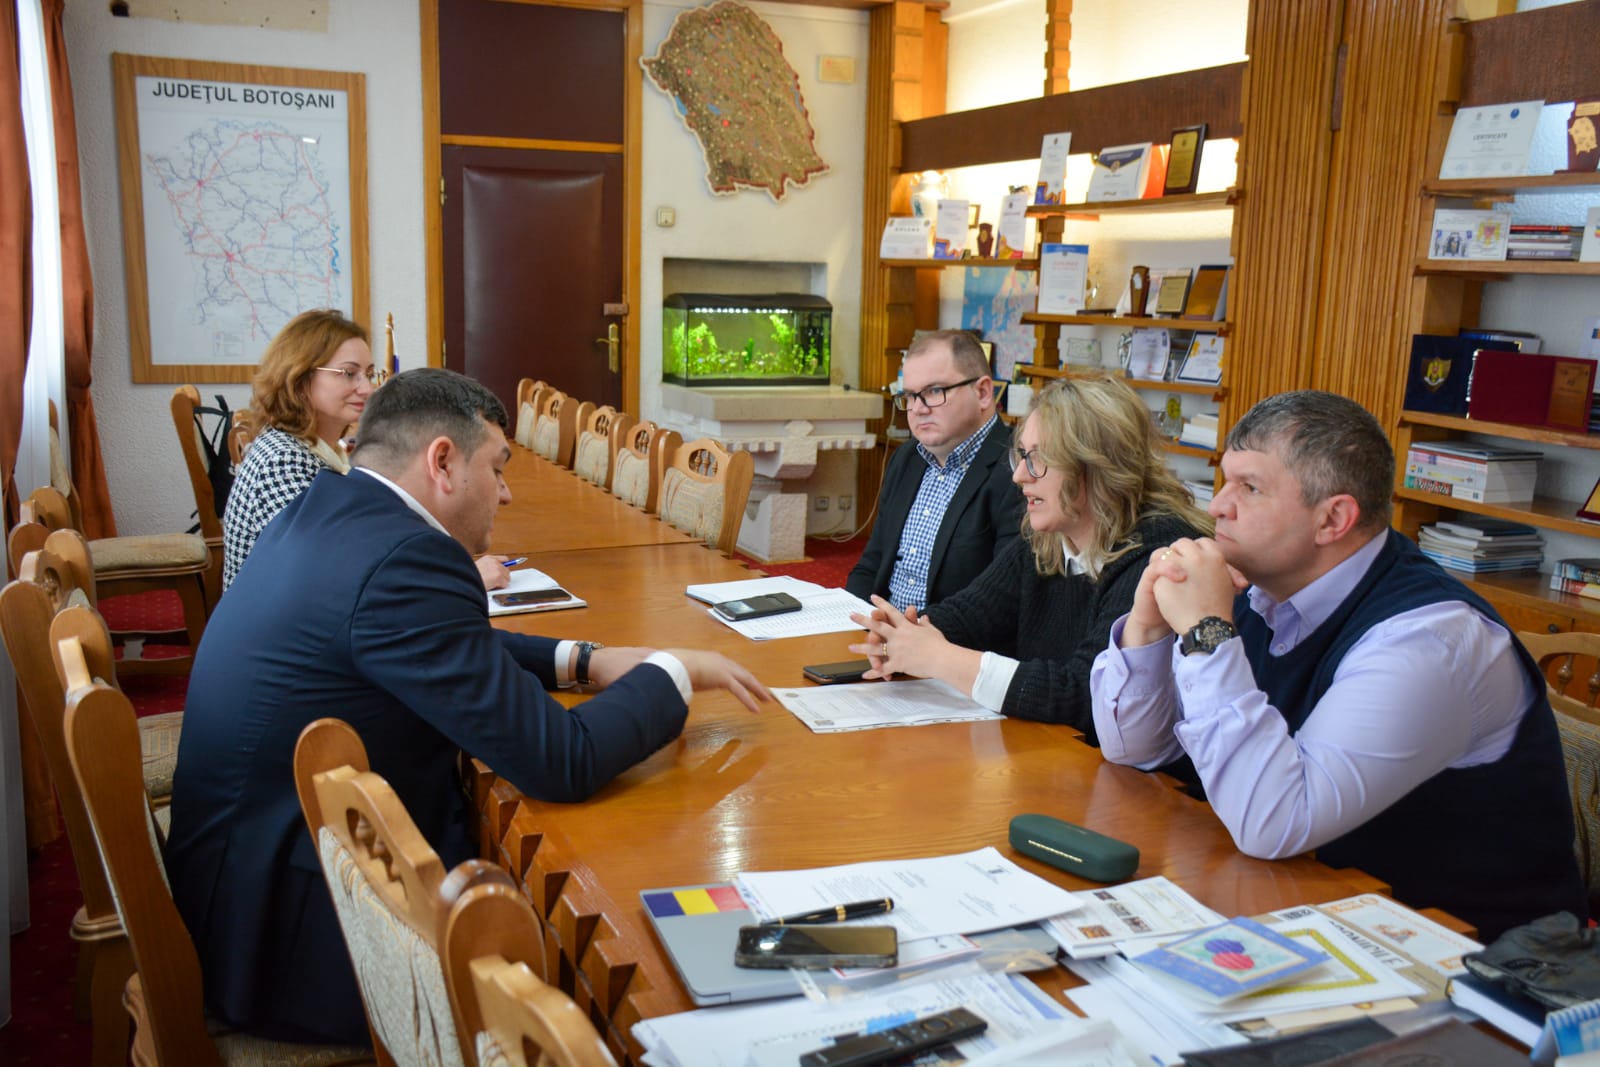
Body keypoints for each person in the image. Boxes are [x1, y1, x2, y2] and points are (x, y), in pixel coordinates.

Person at [165, 368, 771, 1045]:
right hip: (290, 942)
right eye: (498, 468)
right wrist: (673, 670)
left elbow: (435, 643)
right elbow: (561, 760)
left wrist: (582, 659)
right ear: (443, 462)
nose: (506, 492)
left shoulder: (332, 507)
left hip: (236, 880)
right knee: (600, 940)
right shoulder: (408, 559)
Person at [1089, 390, 1585, 940]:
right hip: (1301, 905)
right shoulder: (1259, 590)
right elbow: (1135, 749)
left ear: (1333, 519)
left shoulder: (1428, 640)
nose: (1216, 507)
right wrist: (1147, 628)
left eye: (1249, 488)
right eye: (1224, 481)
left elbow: (1273, 823)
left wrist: (1208, 633)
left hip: (1461, 957)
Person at [848, 374, 1210, 739]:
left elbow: (1088, 693)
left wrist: (937, 656)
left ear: (1097, 465)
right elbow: (972, 613)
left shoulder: (1159, 553)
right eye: (1021, 456)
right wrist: (904, 633)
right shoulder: (1046, 539)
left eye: (1038, 459)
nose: (1020, 476)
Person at [222, 309, 511, 592]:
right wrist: (464, 577)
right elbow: (337, 575)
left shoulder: (322, 449)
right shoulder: (282, 461)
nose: (367, 389)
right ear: (299, 378)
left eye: (369, 374)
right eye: (349, 374)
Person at [845, 330, 1024, 611]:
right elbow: (872, 564)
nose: (918, 409)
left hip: (951, 635)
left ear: (982, 392)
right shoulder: (906, 458)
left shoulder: (1019, 470)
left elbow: (1001, 599)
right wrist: (850, 618)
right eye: (909, 396)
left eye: (934, 392)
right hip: (883, 628)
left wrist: (911, 632)